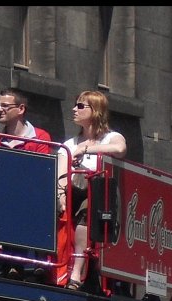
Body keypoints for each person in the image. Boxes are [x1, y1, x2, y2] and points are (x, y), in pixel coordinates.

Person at [0, 88, 52, 275]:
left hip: (31, 199)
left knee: (26, 205)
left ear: (21, 109)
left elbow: (40, 177)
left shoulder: (40, 137)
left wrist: (16, 193)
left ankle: (20, 261)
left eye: (5, 105)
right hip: (1, 196)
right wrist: (7, 193)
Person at [58, 90, 127, 290]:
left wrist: (85, 150)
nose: (74, 109)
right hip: (73, 191)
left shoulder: (111, 137)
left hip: (101, 196)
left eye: (80, 106)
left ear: (95, 111)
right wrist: (60, 195)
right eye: (75, 105)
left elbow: (119, 149)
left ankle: (76, 271)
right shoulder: (69, 144)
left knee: (89, 204)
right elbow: (62, 174)